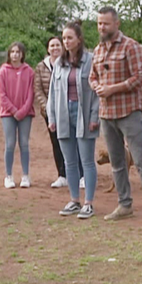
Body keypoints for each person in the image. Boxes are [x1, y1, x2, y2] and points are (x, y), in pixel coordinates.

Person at [89, 7, 142, 226]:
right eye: (99, 23)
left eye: (106, 24)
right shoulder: (98, 50)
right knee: (117, 162)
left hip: (129, 112)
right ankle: (124, 204)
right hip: (106, 114)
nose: (102, 27)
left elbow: (140, 77)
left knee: (141, 161)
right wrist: (97, 86)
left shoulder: (131, 46)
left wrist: (113, 88)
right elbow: (92, 76)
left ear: (117, 24)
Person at [48, 22, 100, 219]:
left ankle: (89, 203)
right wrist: (51, 117)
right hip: (63, 114)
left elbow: (96, 92)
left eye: (70, 38)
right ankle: (74, 200)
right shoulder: (59, 63)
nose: (66, 42)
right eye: (64, 38)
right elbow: (53, 92)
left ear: (79, 39)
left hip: (84, 113)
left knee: (86, 160)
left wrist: (94, 116)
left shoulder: (90, 60)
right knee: (69, 161)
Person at [35, 35, 80, 189]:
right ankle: (62, 175)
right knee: (57, 143)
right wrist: (48, 107)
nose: (55, 48)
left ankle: (80, 175)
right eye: (52, 46)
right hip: (50, 112)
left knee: (75, 141)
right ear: (48, 49)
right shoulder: (41, 67)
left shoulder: (69, 63)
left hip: (69, 109)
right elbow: (38, 89)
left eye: (57, 45)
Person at [0, 41, 35, 189]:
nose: (15, 54)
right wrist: (13, 110)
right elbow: (2, 95)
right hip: (8, 114)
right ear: (9, 54)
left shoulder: (29, 71)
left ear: (22, 54)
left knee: (24, 143)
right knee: (10, 144)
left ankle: (25, 175)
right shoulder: (3, 71)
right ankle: (9, 176)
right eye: (12, 52)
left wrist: (23, 111)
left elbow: (31, 94)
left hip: (26, 113)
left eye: (18, 52)